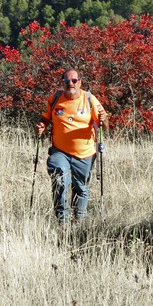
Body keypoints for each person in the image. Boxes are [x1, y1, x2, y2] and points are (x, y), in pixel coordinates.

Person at [35, 69, 108, 224]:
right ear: (63, 82)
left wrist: (104, 119)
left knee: (80, 188)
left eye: (74, 80)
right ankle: (63, 222)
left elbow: (104, 125)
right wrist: (41, 126)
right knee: (60, 180)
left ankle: (79, 223)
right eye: (67, 81)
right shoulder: (55, 98)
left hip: (85, 153)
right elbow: (45, 118)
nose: (71, 84)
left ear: (80, 82)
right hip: (59, 151)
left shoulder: (89, 99)